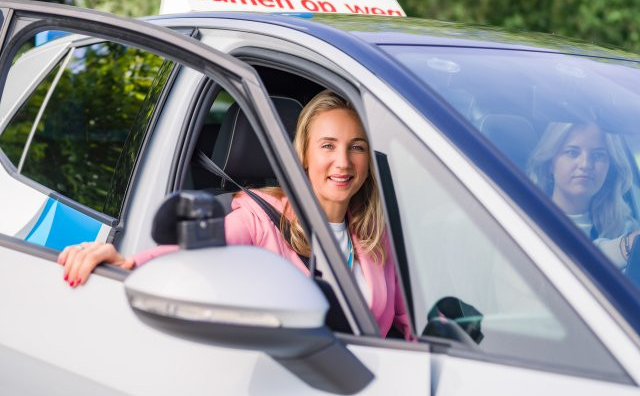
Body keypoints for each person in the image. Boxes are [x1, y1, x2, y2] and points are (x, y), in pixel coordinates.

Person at [58, 90, 411, 339]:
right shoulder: (258, 218)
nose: (344, 162)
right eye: (328, 146)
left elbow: (408, 318)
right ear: (303, 155)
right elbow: (201, 251)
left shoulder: (374, 236)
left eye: (357, 147)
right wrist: (129, 264)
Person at [528, 121, 640, 270]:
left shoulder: (625, 226)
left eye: (598, 155)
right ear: (550, 163)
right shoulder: (526, 220)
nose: (586, 164)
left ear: (609, 168)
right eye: (572, 152)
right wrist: (622, 249)